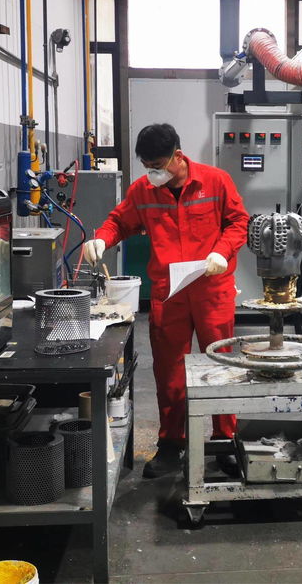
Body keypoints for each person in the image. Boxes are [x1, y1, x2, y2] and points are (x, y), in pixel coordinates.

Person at [84, 123, 249, 478]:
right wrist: (101, 239)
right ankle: (172, 443)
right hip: (168, 292)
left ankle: (225, 440)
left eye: (157, 165)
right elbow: (119, 222)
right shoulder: (144, 190)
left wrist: (222, 251)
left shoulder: (215, 182)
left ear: (178, 155)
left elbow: (238, 222)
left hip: (211, 288)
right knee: (169, 371)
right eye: (147, 166)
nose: (152, 173)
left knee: (221, 364)